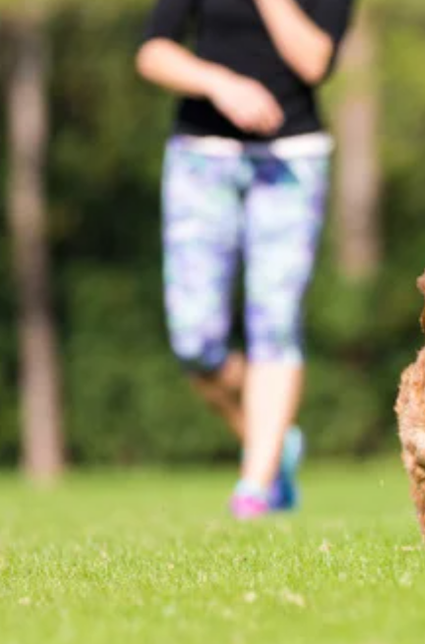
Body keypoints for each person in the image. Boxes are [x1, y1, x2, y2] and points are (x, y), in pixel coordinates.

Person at [135, 0, 356, 518]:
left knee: (275, 324)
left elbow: (314, 62)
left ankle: (255, 489)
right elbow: (153, 52)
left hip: (292, 159)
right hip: (200, 158)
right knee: (195, 341)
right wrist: (217, 82)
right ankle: (273, 443)